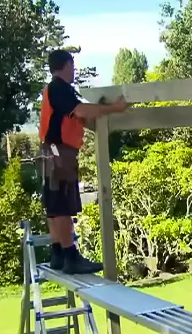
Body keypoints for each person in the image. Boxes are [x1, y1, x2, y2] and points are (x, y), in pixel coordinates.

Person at [39, 49, 129, 274]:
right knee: (60, 204)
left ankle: (59, 253)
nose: (74, 69)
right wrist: (114, 109)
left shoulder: (55, 91)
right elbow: (80, 109)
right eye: (73, 65)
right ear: (67, 64)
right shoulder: (59, 88)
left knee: (53, 204)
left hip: (50, 151)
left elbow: (77, 114)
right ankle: (71, 257)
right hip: (58, 152)